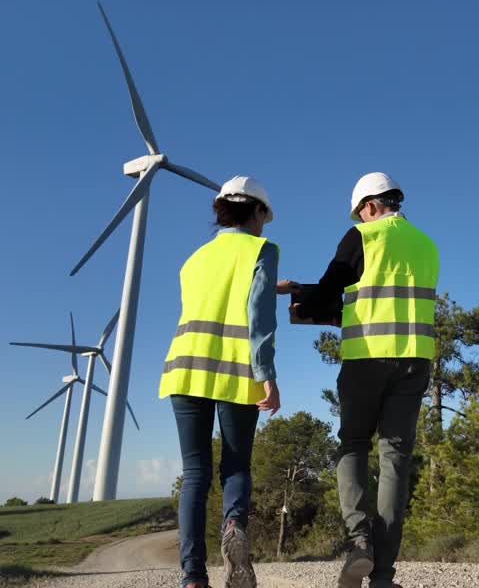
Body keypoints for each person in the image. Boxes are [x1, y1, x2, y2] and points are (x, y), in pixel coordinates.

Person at [278, 172, 440, 588]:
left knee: (352, 444)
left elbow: (332, 288)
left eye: (360, 213)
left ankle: (359, 541)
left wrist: (295, 293)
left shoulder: (362, 237)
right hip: (415, 361)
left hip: (367, 357)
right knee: (395, 461)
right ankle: (383, 576)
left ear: (368, 206)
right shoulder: (427, 245)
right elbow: (380, 293)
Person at [160, 176, 282, 588]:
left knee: (195, 474)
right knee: (235, 467)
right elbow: (258, 316)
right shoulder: (261, 250)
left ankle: (192, 576)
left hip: (185, 369)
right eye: (266, 215)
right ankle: (233, 527)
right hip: (234, 372)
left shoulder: (194, 259)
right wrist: (268, 376)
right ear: (258, 212)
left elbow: (218, 298)